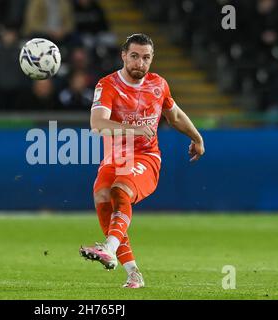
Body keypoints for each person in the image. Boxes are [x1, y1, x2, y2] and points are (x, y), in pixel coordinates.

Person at [79, 34, 205, 288]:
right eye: (134, 56)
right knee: (102, 196)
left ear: (152, 59)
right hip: (115, 156)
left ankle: (109, 248)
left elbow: (175, 115)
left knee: (120, 190)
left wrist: (197, 137)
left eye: (146, 57)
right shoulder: (108, 85)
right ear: (123, 56)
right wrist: (133, 128)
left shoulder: (159, 85)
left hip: (146, 158)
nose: (140, 63)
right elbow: (97, 124)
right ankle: (133, 273)